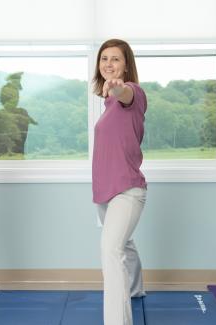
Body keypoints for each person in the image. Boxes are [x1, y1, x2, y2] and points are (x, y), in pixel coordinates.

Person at [92, 39, 148, 325]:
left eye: (115, 59)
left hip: (128, 189)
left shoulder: (133, 94)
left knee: (111, 250)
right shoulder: (107, 104)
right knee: (123, 243)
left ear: (126, 65)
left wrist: (117, 87)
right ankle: (136, 289)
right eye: (104, 59)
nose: (109, 64)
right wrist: (111, 92)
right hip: (106, 191)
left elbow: (125, 92)